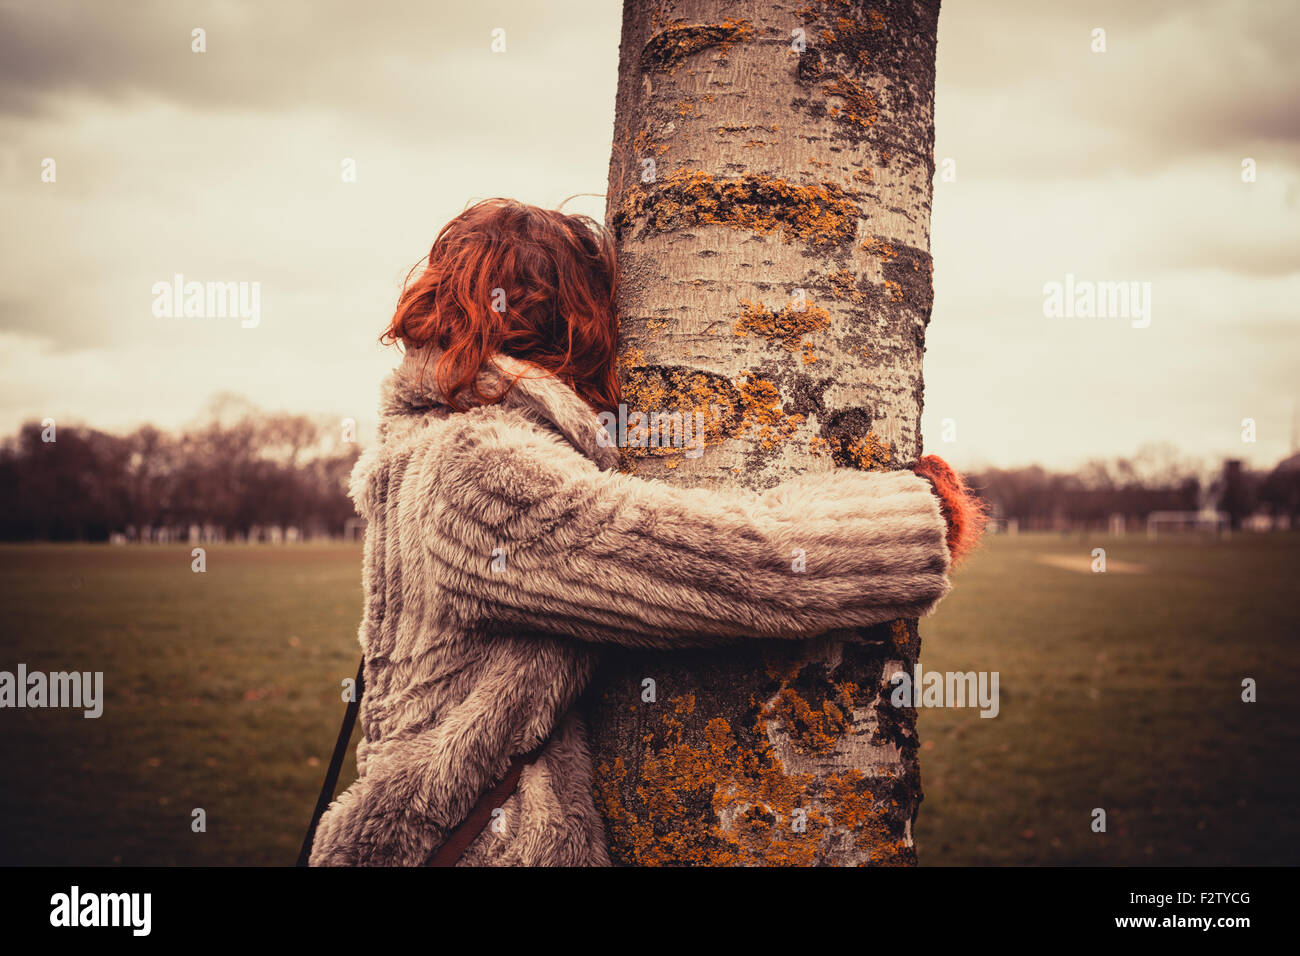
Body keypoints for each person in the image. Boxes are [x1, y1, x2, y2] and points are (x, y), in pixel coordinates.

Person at [307, 197, 984, 866]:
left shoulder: (422, 448)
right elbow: (737, 565)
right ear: (573, 326)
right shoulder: (480, 471)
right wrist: (919, 520)